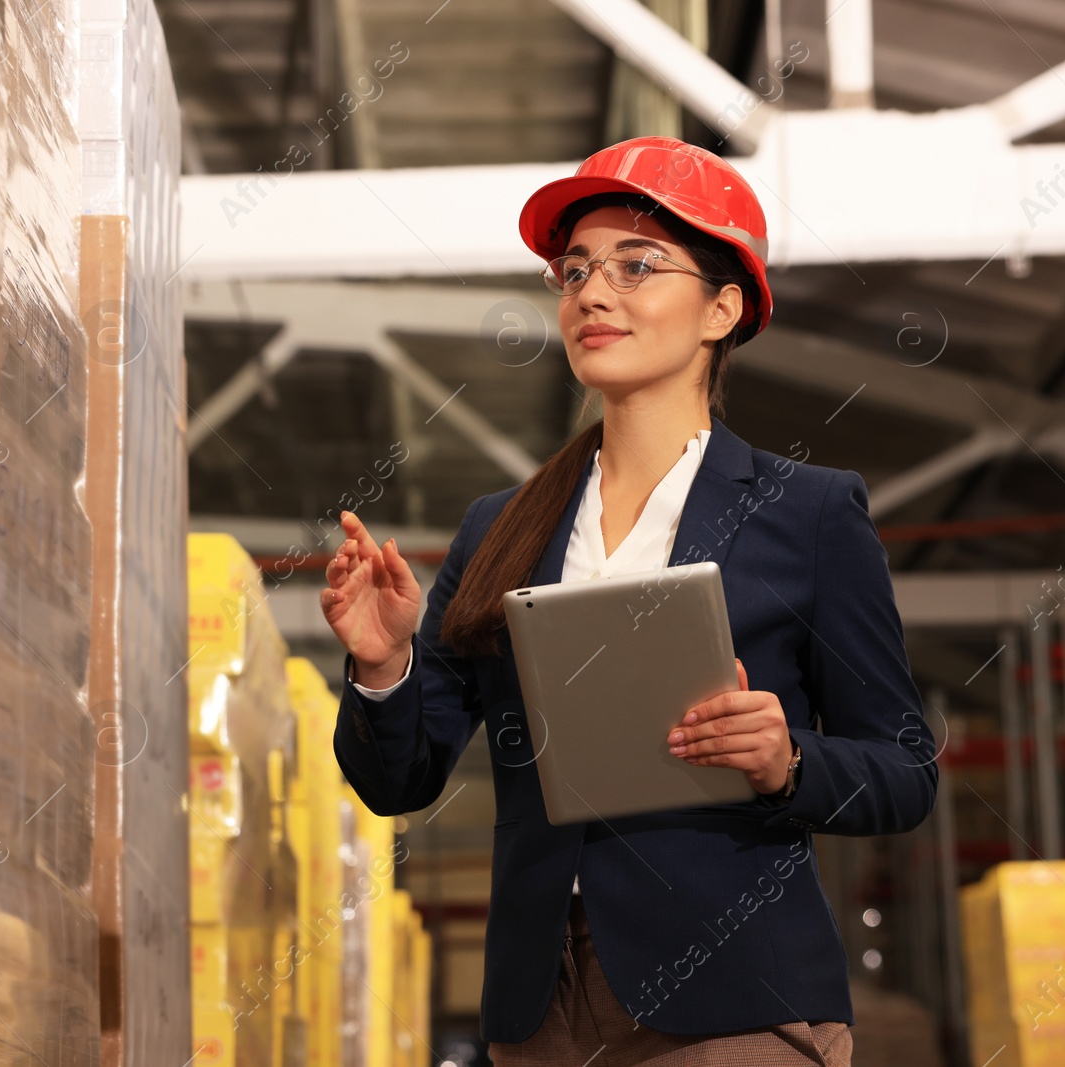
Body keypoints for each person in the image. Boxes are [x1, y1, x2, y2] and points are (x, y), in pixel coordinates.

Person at [320, 136, 937, 1066]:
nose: (591, 294)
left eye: (636, 266)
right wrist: (383, 665)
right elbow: (397, 780)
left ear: (722, 308)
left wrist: (787, 758)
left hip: (735, 1003)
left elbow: (906, 768)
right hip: (541, 1013)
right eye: (573, 272)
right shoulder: (503, 529)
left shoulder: (809, 514)